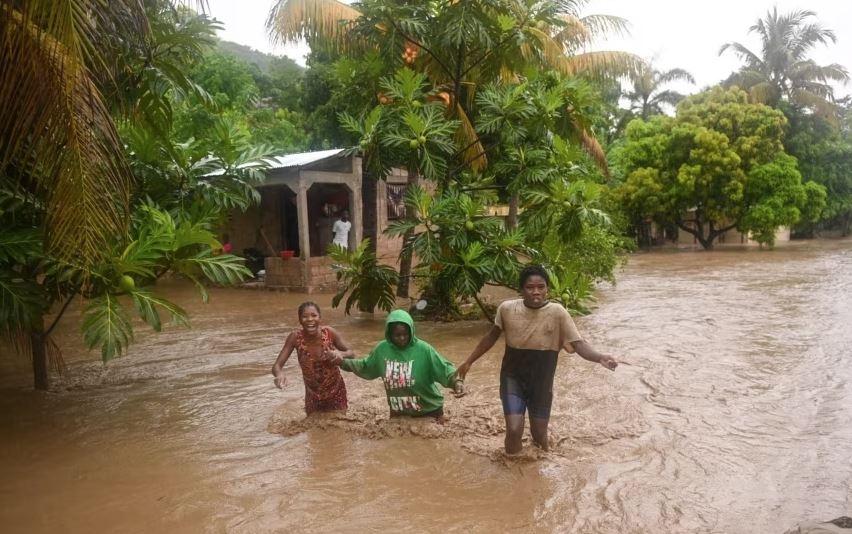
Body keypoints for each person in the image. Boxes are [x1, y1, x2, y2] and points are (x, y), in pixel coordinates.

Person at [456, 265, 619, 454]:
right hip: (512, 378)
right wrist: (469, 361)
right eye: (530, 287)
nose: (536, 292)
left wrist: (600, 357)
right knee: (514, 430)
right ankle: (513, 478)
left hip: (541, 382)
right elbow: (491, 337)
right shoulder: (507, 309)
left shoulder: (558, 313)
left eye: (541, 287)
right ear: (521, 290)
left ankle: (539, 475)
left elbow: (579, 344)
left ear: (547, 288)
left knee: (540, 434)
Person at [326, 309, 459, 419]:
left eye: (405, 334)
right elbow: (365, 366)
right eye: (397, 335)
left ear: (411, 332)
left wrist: (457, 382)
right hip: (399, 414)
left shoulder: (424, 350)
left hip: (429, 412)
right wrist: (342, 362)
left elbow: (444, 369)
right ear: (389, 334)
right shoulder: (382, 350)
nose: (402, 338)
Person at [271, 302, 354, 414]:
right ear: (300, 320)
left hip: (336, 391)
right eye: (305, 316)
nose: (310, 319)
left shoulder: (329, 333)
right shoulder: (295, 338)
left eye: (314, 315)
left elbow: (351, 353)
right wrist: (279, 374)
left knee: (340, 425)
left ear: (320, 318)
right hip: (312, 395)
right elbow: (277, 366)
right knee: (312, 429)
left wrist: (340, 354)